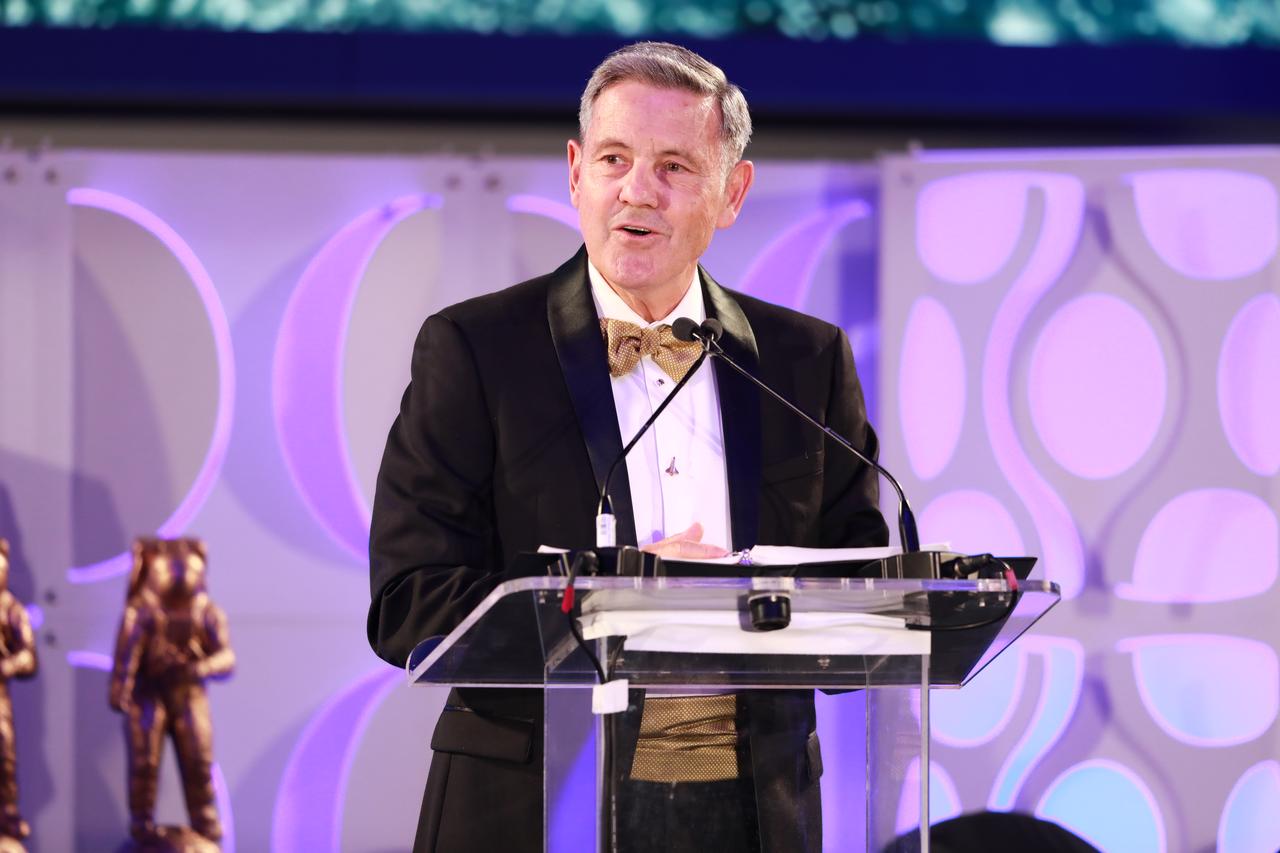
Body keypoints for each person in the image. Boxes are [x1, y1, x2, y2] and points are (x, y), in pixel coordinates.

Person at [368, 41, 888, 852]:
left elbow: (859, 583)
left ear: (732, 191)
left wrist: (748, 601)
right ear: (575, 172)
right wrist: (619, 598)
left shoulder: (805, 362)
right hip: (531, 803)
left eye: (676, 166)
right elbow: (408, 604)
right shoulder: (475, 349)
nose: (636, 191)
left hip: (753, 812)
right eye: (614, 158)